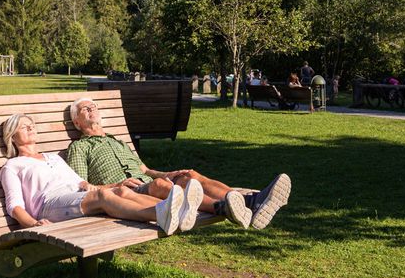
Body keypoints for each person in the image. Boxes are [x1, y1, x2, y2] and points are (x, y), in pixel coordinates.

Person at [65, 97, 291, 230]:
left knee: (189, 175)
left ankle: (252, 201)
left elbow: (144, 169)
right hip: (128, 192)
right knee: (161, 187)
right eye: (85, 109)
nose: (92, 109)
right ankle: (224, 208)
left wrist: (169, 172)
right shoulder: (80, 147)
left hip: (146, 180)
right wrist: (116, 184)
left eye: (94, 106)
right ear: (77, 121)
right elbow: (80, 185)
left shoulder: (117, 141)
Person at [0, 114, 203, 235]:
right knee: (103, 197)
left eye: (31, 124)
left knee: (120, 191)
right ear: (11, 137)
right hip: (49, 206)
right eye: (24, 126)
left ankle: (178, 209)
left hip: (75, 197)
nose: (31, 127)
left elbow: (82, 184)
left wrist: (115, 185)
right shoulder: (13, 166)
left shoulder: (53, 157)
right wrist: (34, 224)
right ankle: (161, 214)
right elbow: (14, 206)